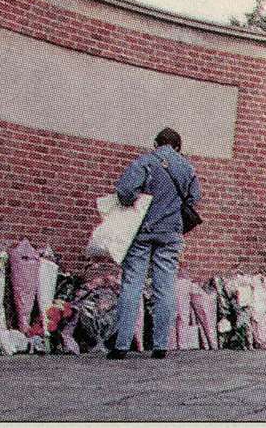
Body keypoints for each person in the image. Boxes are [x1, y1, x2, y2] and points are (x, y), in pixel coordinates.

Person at [109, 127, 201, 359]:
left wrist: (141, 199)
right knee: (165, 286)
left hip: (142, 231)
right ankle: (161, 345)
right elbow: (194, 199)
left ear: (155, 143)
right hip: (170, 233)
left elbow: (125, 192)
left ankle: (121, 346)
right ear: (178, 146)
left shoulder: (145, 162)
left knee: (132, 284)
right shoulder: (187, 168)